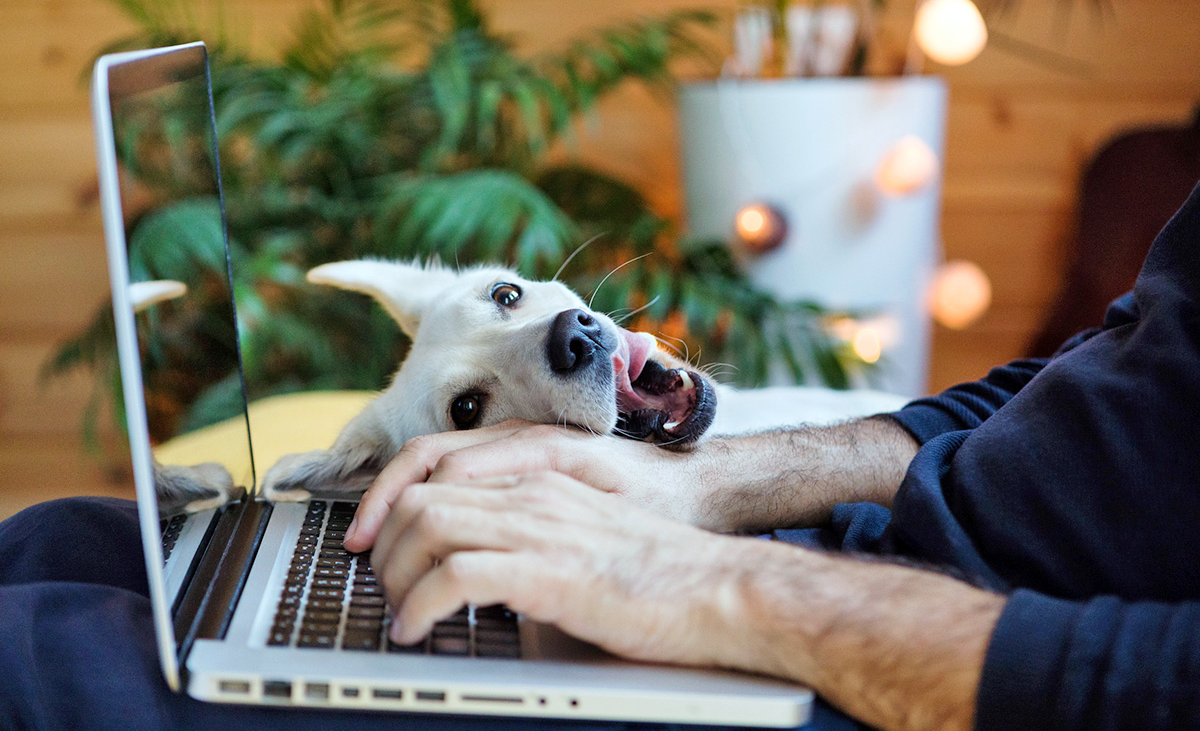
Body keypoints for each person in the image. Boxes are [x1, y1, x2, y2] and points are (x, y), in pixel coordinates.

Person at [3, 183, 1199, 731]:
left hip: (915, 671)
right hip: (852, 549)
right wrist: (704, 481)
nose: (561, 331)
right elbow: (1039, 404)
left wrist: (718, 583)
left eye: (526, 300)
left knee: (38, 656)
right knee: (64, 537)